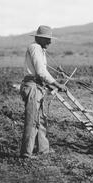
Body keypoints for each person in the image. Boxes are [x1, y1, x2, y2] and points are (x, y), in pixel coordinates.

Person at [19, 25, 67, 159]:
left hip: (38, 86)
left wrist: (51, 85)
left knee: (40, 119)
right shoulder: (35, 48)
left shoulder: (40, 49)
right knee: (33, 120)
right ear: (38, 38)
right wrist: (57, 84)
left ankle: (43, 149)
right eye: (47, 39)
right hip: (33, 86)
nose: (50, 42)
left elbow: (41, 72)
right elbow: (40, 72)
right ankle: (26, 154)